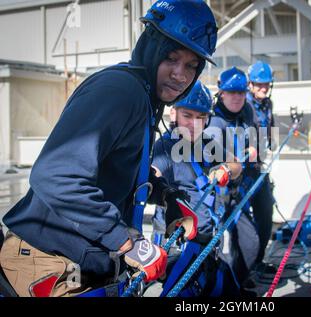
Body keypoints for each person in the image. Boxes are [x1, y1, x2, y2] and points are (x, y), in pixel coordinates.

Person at [0, 0, 218, 297]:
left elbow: (120, 168)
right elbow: (55, 176)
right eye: (171, 58)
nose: (180, 74)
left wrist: (166, 196)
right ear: (151, 49)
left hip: (77, 261)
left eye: (191, 66)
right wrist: (127, 242)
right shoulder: (120, 92)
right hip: (48, 262)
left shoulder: (143, 97)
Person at [151, 80, 244, 296]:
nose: (195, 123)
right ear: (173, 114)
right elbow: (153, 174)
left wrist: (226, 171)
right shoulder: (164, 147)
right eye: (188, 116)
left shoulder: (207, 144)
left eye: (201, 117)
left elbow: (236, 164)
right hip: (180, 250)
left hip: (208, 244)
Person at [206, 67, 261, 288]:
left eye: (241, 93)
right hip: (217, 195)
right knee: (216, 248)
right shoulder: (214, 122)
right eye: (232, 92)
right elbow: (211, 154)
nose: (237, 97)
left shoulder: (247, 111)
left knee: (251, 242)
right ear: (221, 93)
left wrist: (254, 148)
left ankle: (237, 282)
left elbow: (255, 134)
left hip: (240, 190)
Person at [246, 60, 277, 273]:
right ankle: (241, 268)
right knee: (242, 224)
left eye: (266, 84)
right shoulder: (243, 105)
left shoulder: (268, 104)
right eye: (259, 84)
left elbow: (271, 131)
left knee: (265, 215)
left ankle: (257, 261)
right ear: (250, 84)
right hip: (242, 170)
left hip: (260, 169)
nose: (263, 88)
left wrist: (272, 144)